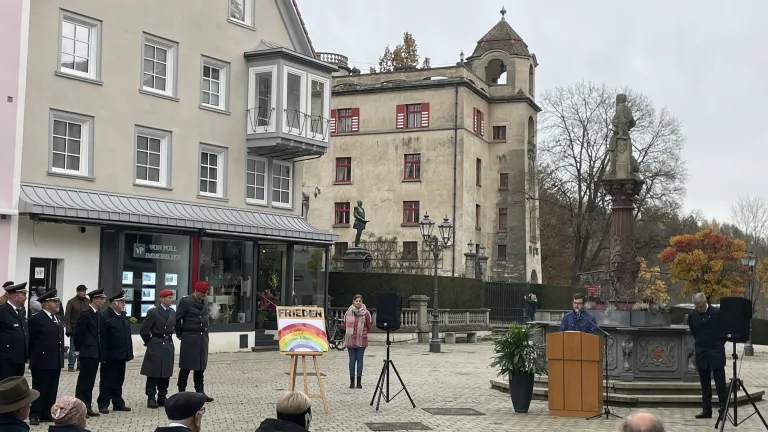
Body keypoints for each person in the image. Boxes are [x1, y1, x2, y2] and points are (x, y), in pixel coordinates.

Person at [27, 290, 65, 425]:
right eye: (54, 302)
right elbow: (30, 340)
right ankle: (35, 413)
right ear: (45, 304)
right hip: (41, 360)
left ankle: (47, 412)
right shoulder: (36, 319)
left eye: (57, 301)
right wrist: (31, 358)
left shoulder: (57, 319)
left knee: (52, 388)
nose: (57, 304)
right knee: (40, 388)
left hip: (55, 360)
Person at [688, 292, 727, 420]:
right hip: (701, 351)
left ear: (705, 302)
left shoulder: (717, 313)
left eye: (701, 306)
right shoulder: (692, 315)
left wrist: (718, 344)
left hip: (716, 350)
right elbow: (694, 331)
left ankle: (723, 409)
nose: (699, 309)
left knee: (720, 382)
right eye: (697, 306)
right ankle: (706, 410)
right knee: (705, 384)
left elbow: (724, 331)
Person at [176, 281, 213, 402]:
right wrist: (180, 334)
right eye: (203, 292)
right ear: (196, 291)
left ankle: (200, 393)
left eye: (206, 293)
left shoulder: (205, 301)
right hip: (189, 337)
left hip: (202, 338)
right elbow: (178, 319)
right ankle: (181, 393)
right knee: (186, 366)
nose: (205, 295)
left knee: (200, 367)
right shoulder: (186, 301)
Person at [96, 291, 133, 414]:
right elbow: (102, 338)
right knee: (107, 380)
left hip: (122, 354)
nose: (124, 304)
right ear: (113, 303)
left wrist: (129, 353)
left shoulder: (123, 316)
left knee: (118, 380)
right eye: (121, 301)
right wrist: (103, 355)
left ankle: (117, 403)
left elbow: (126, 336)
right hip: (110, 355)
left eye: (124, 301)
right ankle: (103, 403)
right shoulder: (105, 316)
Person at [73, 288, 106, 418]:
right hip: (87, 351)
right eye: (101, 299)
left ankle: (87, 406)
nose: (103, 301)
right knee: (84, 382)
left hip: (95, 352)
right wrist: (78, 349)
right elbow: (79, 333)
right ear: (94, 299)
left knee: (90, 381)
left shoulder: (98, 313)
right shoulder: (85, 314)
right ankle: (80, 408)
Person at [141, 289, 177, 409]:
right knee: (153, 371)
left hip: (167, 343)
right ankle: (151, 397)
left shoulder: (172, 312)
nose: (171, 299)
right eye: (168, 298)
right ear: (161, 299)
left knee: (166, 371)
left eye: (172, 298)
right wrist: (149, 341)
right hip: (156, 342)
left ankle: (162, 395)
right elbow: (144, 330)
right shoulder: (154, 312)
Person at [0, 282, 30, 380]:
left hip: (19, 358)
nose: (26, 297)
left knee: (16, 388)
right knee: (6, 387)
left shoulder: (20, 311)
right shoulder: (3, 311)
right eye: (23, 295)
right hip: (6, 360)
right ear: (15, 296)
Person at [344, 294, 371, 389]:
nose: (358, 302)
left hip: (361, 340)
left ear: (362, 302)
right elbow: (345, 325)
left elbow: (369, 325)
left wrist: (362, 333)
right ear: (353, 302)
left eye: (360, 301)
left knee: (360, 361)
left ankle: (359, 382)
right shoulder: (348, 312)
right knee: (352, 360)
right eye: (356, 301)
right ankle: (352, 382)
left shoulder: (366, 313)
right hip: (351, 340)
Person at [64, 285, 89, 372]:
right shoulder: (71, 302)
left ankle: (80, 364)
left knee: (83, 348)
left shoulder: (88, 301)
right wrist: (68, 330)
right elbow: (67, 317)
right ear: (78, 292)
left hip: (85, 329)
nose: (84, 293)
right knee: (73, 348)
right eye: (82, 291)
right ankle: (71, 365)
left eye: (85, 291)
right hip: (75, 328)